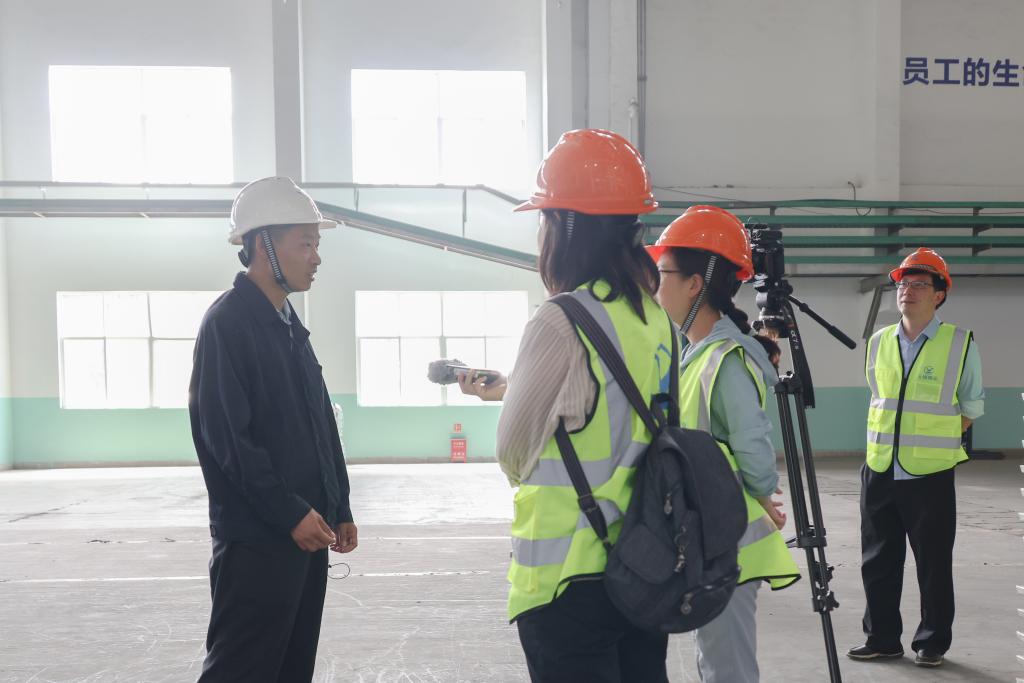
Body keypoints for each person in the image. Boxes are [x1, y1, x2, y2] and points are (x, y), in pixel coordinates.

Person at [459, 128, 675, 682]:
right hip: (645, 561)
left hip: (569, 576)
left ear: (567, 227)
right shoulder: (655, 319)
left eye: (545, 219)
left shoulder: (561, 319)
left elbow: (513, 453)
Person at [189, 176, 358, 682]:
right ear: (263, 245)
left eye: (317, 244)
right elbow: (229, 441)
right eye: (305, 243)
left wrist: (339, 505)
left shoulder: (287, 324)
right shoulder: (228, 324)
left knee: (291, 668)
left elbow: (320, 422)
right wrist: (289, 513)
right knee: (241, 670)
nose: (316, 257)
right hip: (258, 541)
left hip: (307, 533)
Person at [646, 205, 801, 682]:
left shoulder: (727, 358)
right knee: (715, 660)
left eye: (662, 274)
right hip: (708, 530)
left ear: (695, 284)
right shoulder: (694, 354)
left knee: (727, 667)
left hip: (729, 536)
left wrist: (763, 491)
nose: (655, 285)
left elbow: (752, 442)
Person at [847, 247, 984, 668]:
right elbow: (878, 398)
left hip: (930, 473)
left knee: (933, 562)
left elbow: (970, 407)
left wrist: (930, 443)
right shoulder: (879, 341)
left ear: (939, 295)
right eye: (903, 284)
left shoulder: (959, 343)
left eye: (919, 284)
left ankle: (932, 642)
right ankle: (882, 638)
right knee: (877, 559)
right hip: (880, 466)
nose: (907, 290)